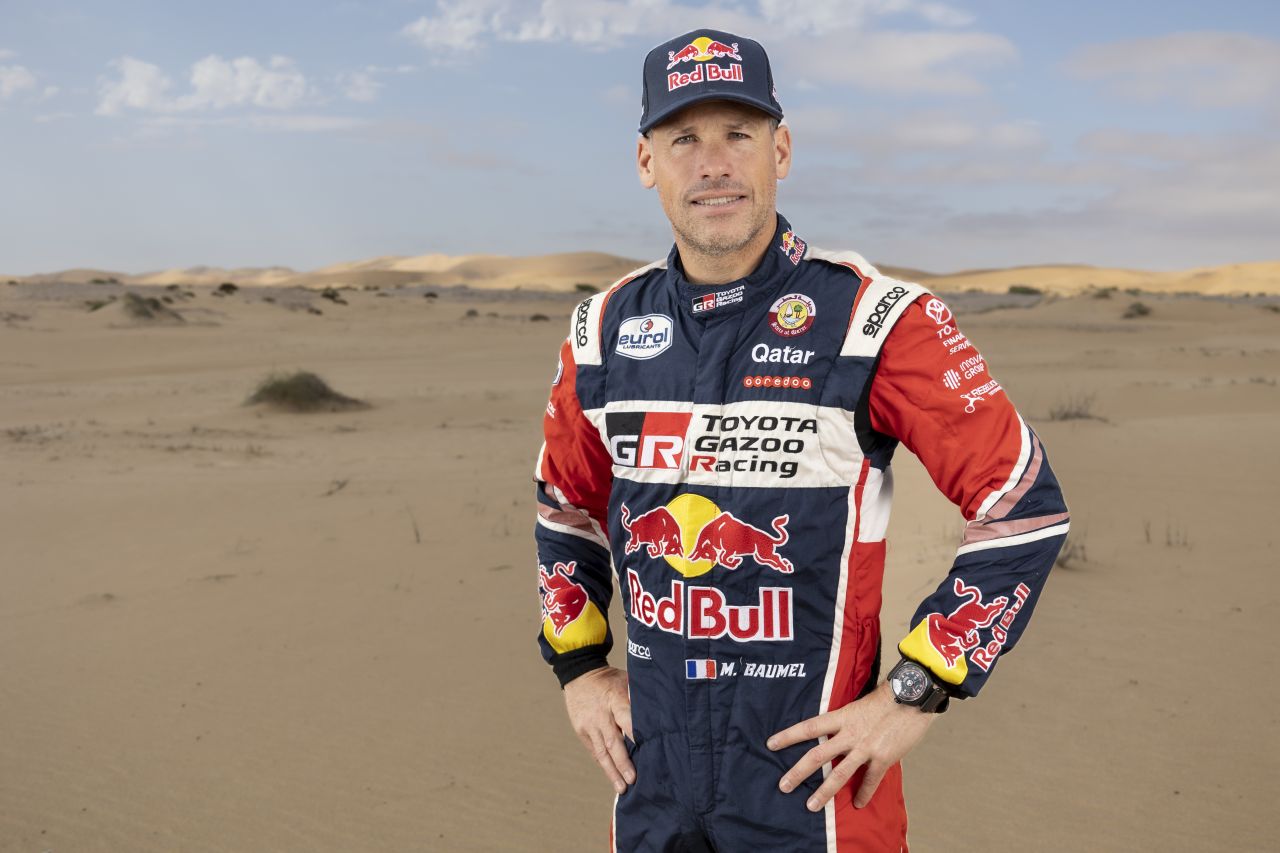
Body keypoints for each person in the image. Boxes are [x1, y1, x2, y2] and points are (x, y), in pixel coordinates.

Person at [533, 27, 1068, 852]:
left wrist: (919, 688)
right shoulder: (602, 330)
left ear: (780, 150)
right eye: (684, 139)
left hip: (815, 799)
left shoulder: (876, 319)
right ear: (646, 162)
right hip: (653, 791)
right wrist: (578, 667)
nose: (714, 164)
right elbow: (565, 506)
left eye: (738, 135)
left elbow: (1023, 508)